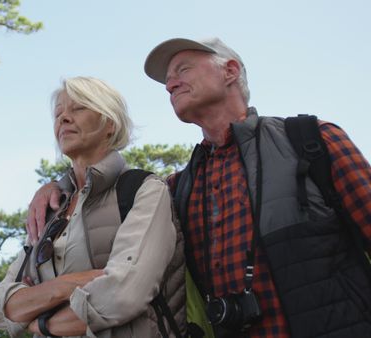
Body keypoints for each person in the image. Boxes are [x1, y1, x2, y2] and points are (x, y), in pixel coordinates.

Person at [26, 38, 371, 338]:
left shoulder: (310, 141)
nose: (169, 84)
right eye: (167, 79)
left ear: (230, 71)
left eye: (183, 69)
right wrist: (60, 186)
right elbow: (105, 187)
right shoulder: (177, 188)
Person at [0, 76, 185, 337]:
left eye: (78, 108)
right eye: (58, 114)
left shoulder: (144, 190)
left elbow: (123, 294)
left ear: (110, 123)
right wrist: (70, 283)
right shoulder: (49, 210)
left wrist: (41, 320)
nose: (63, 119)